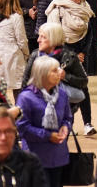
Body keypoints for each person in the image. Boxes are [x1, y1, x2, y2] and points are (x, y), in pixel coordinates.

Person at [15, 56, 72, 187]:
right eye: (54, 70)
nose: (59, 72)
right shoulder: (26, 97)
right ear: (42, 74)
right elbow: (22, 128)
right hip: (35, 157)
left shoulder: (62, 94)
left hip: (58, 155)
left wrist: (65, 127)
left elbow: (68, 118)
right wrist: (47, 136)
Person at [0, 0, 29, 98]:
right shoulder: (16, 17)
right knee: (18, 90)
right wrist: (26, 54)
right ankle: (19, 114)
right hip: (13, 55)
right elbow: (21, 39)